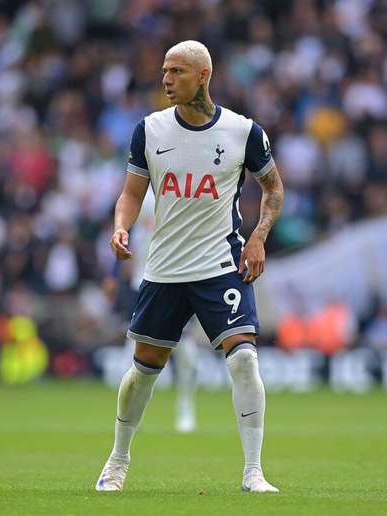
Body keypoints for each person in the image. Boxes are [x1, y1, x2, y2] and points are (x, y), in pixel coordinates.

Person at [96, 40, 284, 493]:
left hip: (221, 264)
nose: (166, 79)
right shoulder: (150, 130)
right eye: (164, 71)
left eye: (176, 71)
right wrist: (121, 227)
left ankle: (253, 471)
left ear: (203, 75)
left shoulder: (243, 132)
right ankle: (117, 461)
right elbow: (130, 195)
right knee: (144, 368)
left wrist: (258, 238)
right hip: (164, 269)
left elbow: (274, 190)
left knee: (243, 359)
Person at [104, 188, 200, 434]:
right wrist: (115, 272)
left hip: (179, 279)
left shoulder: (184, 186)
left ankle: (186, 406)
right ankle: (128, 416)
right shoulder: (142, 194)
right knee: (133, 352)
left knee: (185, 350)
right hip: (143, 281)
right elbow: (125, 231)